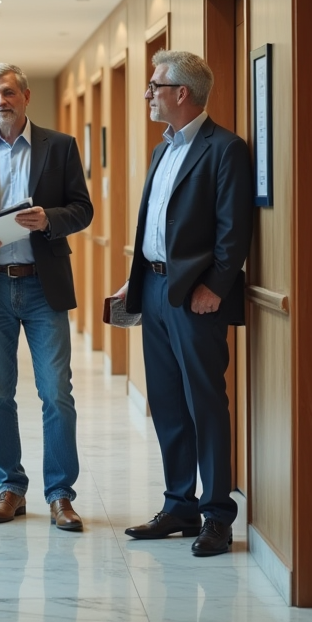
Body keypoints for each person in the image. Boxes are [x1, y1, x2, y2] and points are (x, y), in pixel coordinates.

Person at [0, 63, 93, 532]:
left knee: (56, 394)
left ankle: (61, 496)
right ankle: (10, 489)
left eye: (7, 93)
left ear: (26, 96)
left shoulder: (60, 147)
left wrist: (48, 219)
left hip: (42, 285)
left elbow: (82, 209)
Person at [114, 50, 253, 557]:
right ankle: (179, 505)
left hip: (197, 297)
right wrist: (136, 281)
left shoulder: (225, 149)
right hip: (153, 291)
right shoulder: (162, 150)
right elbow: (154, 226)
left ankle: (217, 515)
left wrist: (215, 285)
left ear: (181, 93)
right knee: (168, 405)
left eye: (155, 85)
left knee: (205, 404)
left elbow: (233, 228)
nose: (148, 93)